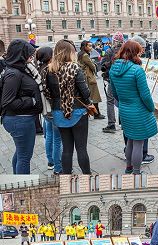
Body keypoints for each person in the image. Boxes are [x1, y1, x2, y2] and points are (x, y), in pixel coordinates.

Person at [109, 40, 158, 175]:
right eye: (138, 52)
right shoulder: (137, 70)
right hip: (138, 111)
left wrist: (124, 102)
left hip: (124, 110)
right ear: (134, 53)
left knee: (130, 140)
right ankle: (136, 172)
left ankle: (128, 167)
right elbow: (145, 95)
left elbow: (114, 93)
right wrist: (151, 108)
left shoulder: (113, 68)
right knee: (138, 143)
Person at [46, 39, 93, 175]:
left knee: (66, 149)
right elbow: (85, 92)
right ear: (69, 53)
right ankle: (87, 177)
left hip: (58, 112)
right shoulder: (74, 68)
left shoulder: (50, 69)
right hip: (77, 111)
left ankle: (66, 177)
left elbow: (47, 92)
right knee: (81, 148)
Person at [1, 39, 43, 174]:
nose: (31, 57)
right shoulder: (14, 73)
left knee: (21, 154)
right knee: (24, 157)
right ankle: (23, 187)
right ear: (20, 54)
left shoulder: (21, 69)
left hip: (21, 119)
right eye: (28, 54)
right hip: (19, 120)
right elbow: (7, 102)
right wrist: (32, 101)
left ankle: (16, 177)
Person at [36, 46, 62, 174]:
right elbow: (55, 91)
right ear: (49, 56)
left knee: (49, 136)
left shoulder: (39, 69)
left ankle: (50, 161)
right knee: (57, 138)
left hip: (45, 111)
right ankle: (58, 167)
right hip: (52, 109)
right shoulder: (50, 70)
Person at [101, 32, 124, 133]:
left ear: (113, 40)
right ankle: (123, 123)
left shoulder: (109, 51)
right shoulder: (126, 51)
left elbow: (102, 66)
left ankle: (111, 124)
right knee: (123, 101)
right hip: (124, 80)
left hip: (112, 80)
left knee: (110, 101)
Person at [78, 41, 104, 120]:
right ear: (84, 47)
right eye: (89, 46)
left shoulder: (80, 54)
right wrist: (93, 64)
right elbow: (93, 67)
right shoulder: (85, 55)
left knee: (88, 96)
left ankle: (92, 113)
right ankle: (96, 114)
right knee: (95, 96)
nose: (91, 48)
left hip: (85, 78)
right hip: (89, 78)